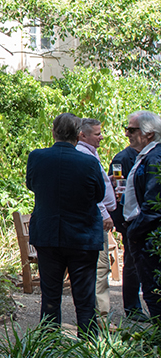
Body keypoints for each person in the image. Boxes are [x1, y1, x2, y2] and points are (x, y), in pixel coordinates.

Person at [25, 113, 106, 335]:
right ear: (79, 135)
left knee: (50, 297)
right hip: (83, 235)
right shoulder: (89, 162)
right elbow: (99, 194)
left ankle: (49, 347)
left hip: (48, 234)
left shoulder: (37, 157)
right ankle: (89, 348)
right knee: (85, 297)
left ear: (53, 132)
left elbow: (31, 185)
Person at [76, 118, 117, 320]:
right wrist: (105, 214)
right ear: (82, 134)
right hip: (96, 220)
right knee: (101, 267)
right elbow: (90, 190)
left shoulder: (91, 152)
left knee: (102, 267)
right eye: (97, 133)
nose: (101, 137)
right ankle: (100, 318)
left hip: (97, 219)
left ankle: (99, 315)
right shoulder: (84, 154)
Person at [123, 110, 161, 319]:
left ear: (149, 134)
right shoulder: (148, 156)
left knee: (154, 292)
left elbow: (154, 205)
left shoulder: (155, 159)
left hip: (148, 234)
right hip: (144, 232)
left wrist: (134, 231)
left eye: (131, 129)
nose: (126, 133)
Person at [110, 139, 144, 320]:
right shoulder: (122, 159)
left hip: (146, 219)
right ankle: (133, 308)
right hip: (130, 221)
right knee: (132, 264)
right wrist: (122, 224)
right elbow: (115, 192)